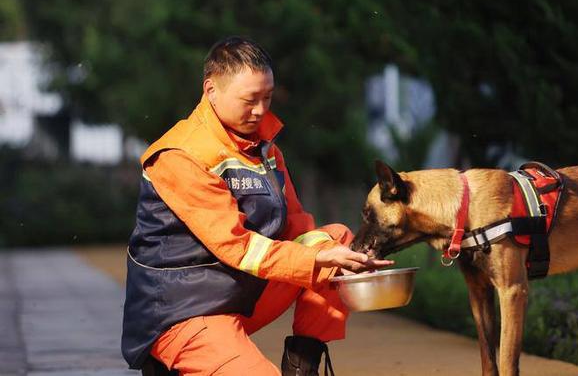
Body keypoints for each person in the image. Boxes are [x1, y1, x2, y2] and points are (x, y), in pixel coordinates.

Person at [121, 37, 392, 375]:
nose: (261, 110)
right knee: (319, 259)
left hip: (235, 295)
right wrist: (315, 259)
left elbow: (296, 224)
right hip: (182, 310)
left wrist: (341, 258)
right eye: (250, 99)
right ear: (211, 90)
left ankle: (301, 367)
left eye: (267, 97)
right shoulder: (181, 155)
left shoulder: (264, 148)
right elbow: (235, 246)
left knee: (335, 240)